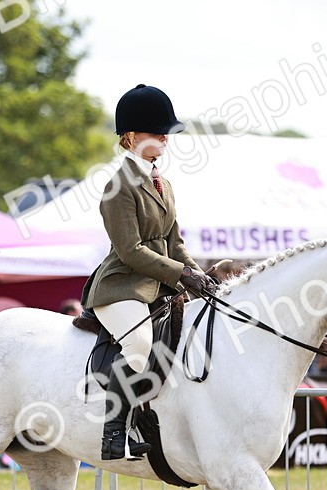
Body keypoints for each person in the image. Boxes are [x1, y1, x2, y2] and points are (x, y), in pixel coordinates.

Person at [79, 84, 215, 461]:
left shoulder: (163, 183)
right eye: (158, 132)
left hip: (157, 287)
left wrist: (198, 274)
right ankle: (114, 433)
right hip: (121, 287)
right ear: (132, 136)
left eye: (166, 132)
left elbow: (174, 240)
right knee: (138, 345)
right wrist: (180, 276)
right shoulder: (117, 187)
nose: (165, 139)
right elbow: (131, 250)